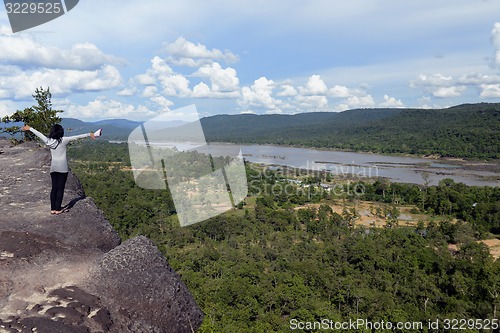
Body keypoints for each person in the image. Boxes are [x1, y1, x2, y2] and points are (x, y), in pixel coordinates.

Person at [22, 124, 96, 215]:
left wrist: (30, 128)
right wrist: (90, 134)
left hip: (53, 167)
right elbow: (77, 137)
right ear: (61, 132)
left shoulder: (48, 141)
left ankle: (53, 209)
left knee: (54, 188)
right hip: (63, 167)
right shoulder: (64, 140)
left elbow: (39, 134)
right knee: (60, 188)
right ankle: (58, 209)